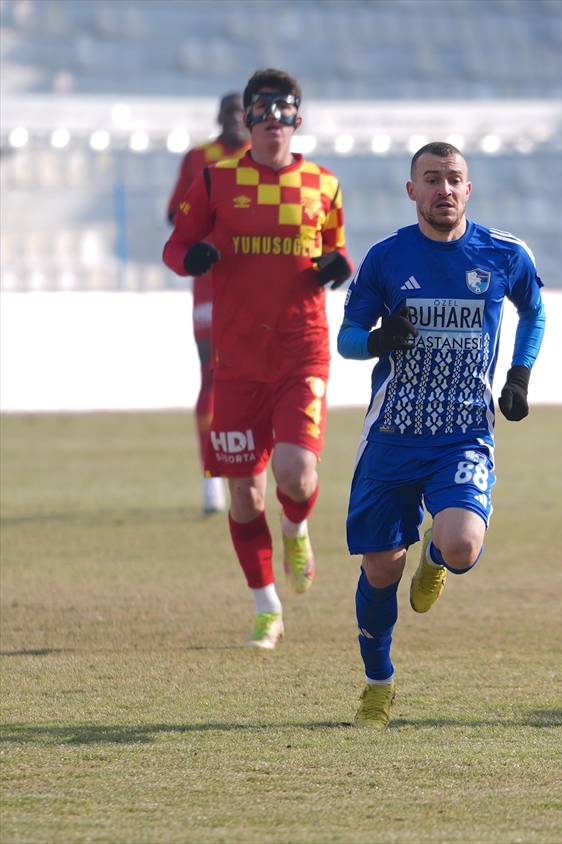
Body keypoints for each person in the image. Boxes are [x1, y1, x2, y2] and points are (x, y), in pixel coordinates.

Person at [337, 141, 545, 729]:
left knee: (461, 547)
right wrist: (378, 340)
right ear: (412, 191)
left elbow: (534, 311)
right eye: (431, 179)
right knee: (381, 569)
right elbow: (347, 338)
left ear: (468, 189)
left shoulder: (503, 253)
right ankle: (378, 684)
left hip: (462, 434)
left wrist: (520, 374)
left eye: (454, 179)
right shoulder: (385, 258)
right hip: (393, 435)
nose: (444, 190)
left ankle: (436, 554)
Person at [163, 68, 353, 649]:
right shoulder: (215, 181)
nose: (274, 119)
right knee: (246, 494)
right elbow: (175, 246)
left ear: (299, 118)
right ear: (247, 119)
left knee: (295, 474)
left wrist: (340, 266)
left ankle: (296, 527)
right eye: (263, 109)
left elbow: (337, 248)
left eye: (285, 108)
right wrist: (192, 257)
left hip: (302, 353)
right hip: (239, 361)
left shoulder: (325, 183)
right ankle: (266, 604)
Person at [166, 93, 251, 515]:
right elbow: (175, 217)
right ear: (218, 118)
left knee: (259, 376)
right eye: (229, 113)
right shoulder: (199, 157)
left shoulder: (268, 160)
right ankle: (212, 477)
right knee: (212, 374)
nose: (236, 120)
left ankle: (251, 469)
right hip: (211, 286)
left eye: (243, 113)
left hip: (258, 288)